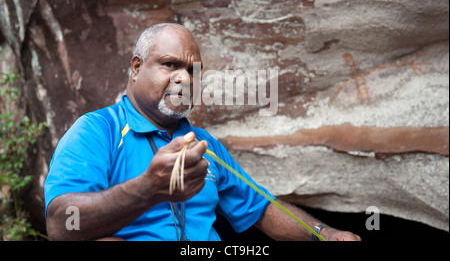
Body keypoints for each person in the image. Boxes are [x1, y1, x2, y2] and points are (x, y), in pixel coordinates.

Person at [44, 23, 361, 241]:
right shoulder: (97, 131)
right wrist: (148, 189)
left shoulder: (205, 144)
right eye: (170, 65)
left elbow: (261, 208)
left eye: (193, 70)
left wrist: (325, 233)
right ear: (137, 67)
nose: (185, 79)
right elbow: (61, 224)